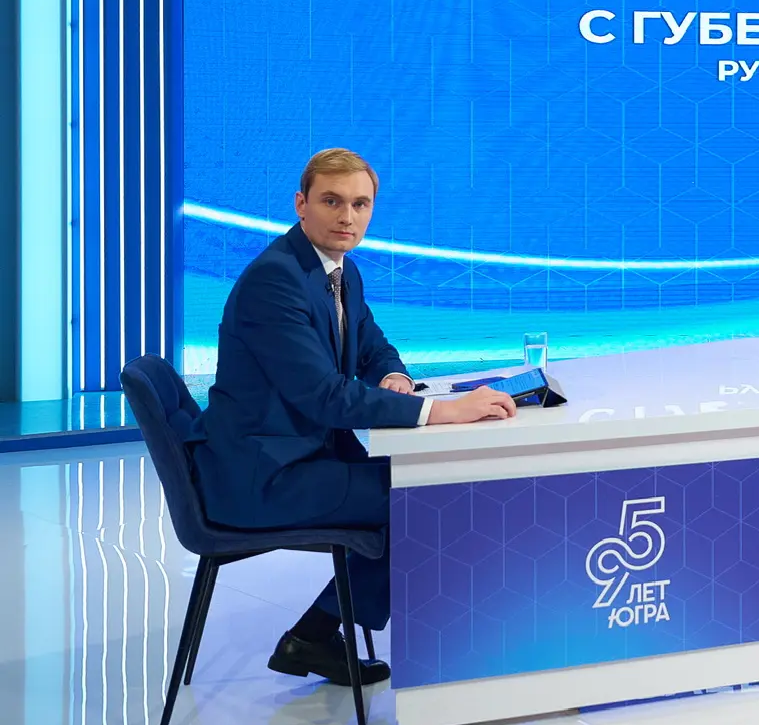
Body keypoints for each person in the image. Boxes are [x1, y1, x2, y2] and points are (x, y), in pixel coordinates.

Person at [189, 149, 516, 687]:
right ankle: (322, 637)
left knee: (433, 485)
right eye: (332, 201)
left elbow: (371, 342)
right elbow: (325, 397)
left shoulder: (338, 268)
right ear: (301, 204)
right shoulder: (276, 280)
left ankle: (314, 635)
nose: (347, 217)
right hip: (266, 477)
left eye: (360, 204)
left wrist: (394, 377)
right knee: (432, 500)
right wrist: (443, 411)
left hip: (304, 458)